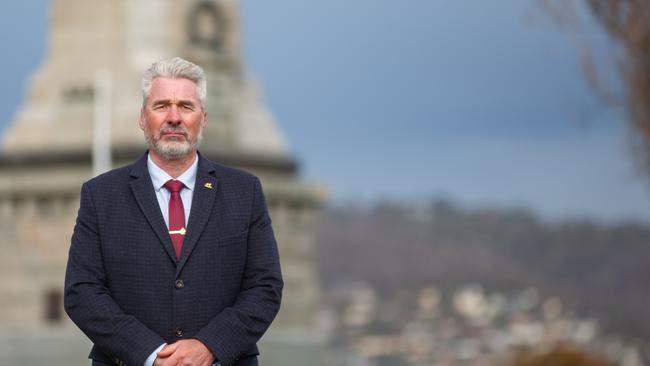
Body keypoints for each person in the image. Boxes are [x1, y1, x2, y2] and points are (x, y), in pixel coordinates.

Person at [64, 57, 283, 366]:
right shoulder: (101, 196)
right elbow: (82, 293)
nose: (174, 118)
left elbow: (265, 287)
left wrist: (209, 346)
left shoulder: (244, 192)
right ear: (143, 118)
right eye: (161, 105)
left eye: (186, 107)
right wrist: (153, 354)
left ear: (203, 119)